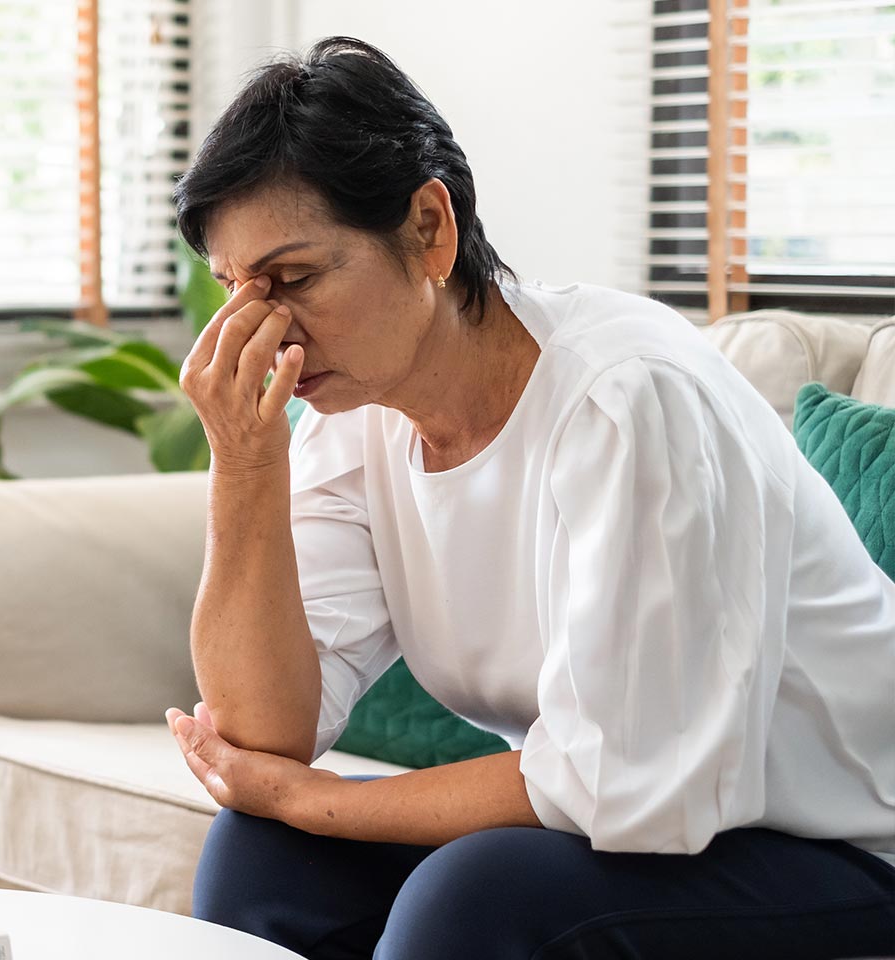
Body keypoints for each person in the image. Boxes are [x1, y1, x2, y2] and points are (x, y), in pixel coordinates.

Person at [161, 36, 895, 960]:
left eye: (295, 279)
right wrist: (245, 462)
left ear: (430, 229)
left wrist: (325, 800)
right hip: (647, 833)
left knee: (478, 899)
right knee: (264, 855)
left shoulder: (628, 398)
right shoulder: (353, 412)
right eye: (236, 291)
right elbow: (267, 733)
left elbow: (628, 785)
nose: (263, 334)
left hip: (843, 846)